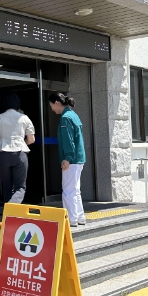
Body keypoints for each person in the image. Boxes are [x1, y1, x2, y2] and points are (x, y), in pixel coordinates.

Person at [0, 93, 35, 204]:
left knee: (7, 186)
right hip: (20, 154)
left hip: (2, 154)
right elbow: (31, 139)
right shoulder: (24, 118)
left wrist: (0, 142)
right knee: (20, 187)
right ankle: (13, 206)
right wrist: (22, 143)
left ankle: (8, 210)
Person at [48, 93, 86, 227]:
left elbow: (68, 140)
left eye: (52, 106)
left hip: (72, 159)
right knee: (75, 190)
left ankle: (71, 219)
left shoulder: (65, 118)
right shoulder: (73, 115)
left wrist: (67, 158)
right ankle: (80, 217)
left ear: (57, 103)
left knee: (68, 190)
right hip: (79, 158)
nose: (52, 109)